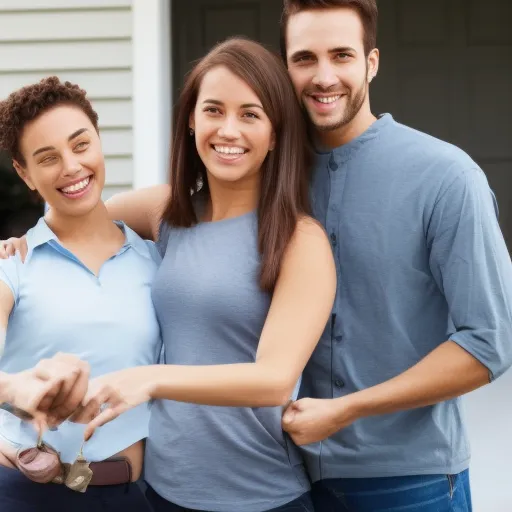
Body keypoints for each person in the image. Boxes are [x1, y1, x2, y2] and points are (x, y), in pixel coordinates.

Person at [0, 39, 336, 512]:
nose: (229, 129)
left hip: (260, 493)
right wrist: (16, 246)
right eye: (214, 110)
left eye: (251, 114)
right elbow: (78, 212)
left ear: (276, 132)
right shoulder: (167, 214)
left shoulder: (301, 240)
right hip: (161, 492)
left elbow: (275, 380)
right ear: (192, 120)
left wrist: (151, 379)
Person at [276, 0, 512, 510]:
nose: (323, 76)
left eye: (341, 55)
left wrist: (348, 409)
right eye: (304, 59)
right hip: (282, 481)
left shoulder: (448, 177)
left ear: (372, 62)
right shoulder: (268, 178)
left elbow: (490, 342)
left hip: (411, 483)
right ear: (286, 67)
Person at [0, 77, 160, 511]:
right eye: (47, 158)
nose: (71, 167)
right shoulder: (11, 264)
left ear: (99, 141)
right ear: (24, 173)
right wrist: (13, 389)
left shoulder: (156, 260)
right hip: (28, 494)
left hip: (142, 496)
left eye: (81, 144)